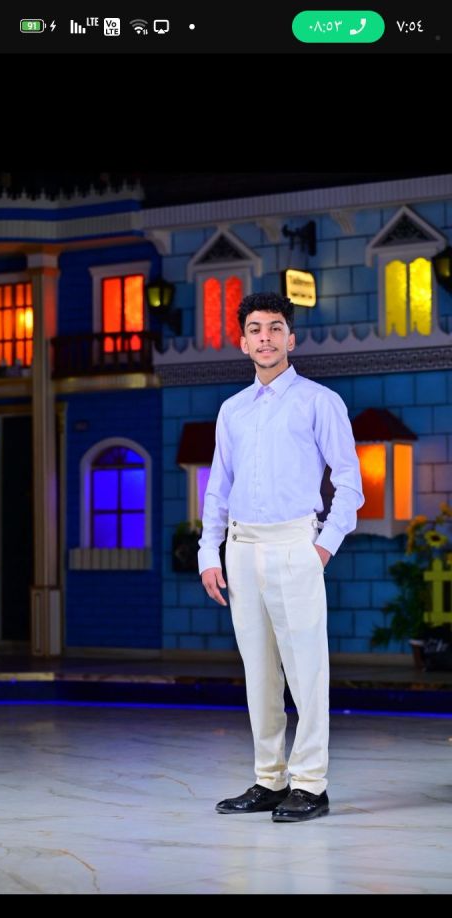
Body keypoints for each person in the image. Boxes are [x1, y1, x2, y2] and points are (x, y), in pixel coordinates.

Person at [198, 292, 364, 822]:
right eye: (255, 329)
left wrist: (321, 548)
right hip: (241, 548)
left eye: (274, 328)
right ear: (242, 342)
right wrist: (208, 551)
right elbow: (218, 487)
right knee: (259, 672)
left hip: (296, 545)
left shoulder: (319, 401)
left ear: (291, 339)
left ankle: (311, 785)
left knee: (306, 670)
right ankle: (270, 780)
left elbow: (350, 483)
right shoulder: (232, 411)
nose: (265, 337)